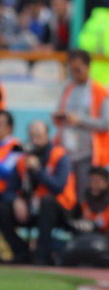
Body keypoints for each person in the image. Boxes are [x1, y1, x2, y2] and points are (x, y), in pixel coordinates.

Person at [0, 121, 75, 265]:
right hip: (31, 207)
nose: (35, 141)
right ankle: (22, 252)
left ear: (47, 136)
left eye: (39, 136)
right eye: (32, 136)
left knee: (47, 202)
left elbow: (58, 187)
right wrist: (16, 200)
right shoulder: (23, 160)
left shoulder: (59, 156)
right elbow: (9, 189)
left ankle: (41, 256)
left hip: (61, 208)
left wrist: (37, 170)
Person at [52, 50, 109, 204]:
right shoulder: (68, 88)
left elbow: (106, 123)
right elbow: (61, 112)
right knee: (65, 194)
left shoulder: (99, 91)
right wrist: (59, 117)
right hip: (67, 151)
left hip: (88, 153)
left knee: (84, 194)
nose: (75, 74)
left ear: (88, 67)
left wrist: (80, 120)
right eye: (71, 70)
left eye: (78, 69)